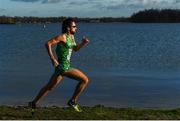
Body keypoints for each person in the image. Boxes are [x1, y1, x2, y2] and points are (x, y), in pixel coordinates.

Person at [28, 18, 89, 112]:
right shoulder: (62, 37)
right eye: (74, 26)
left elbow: (75, 49)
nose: (76, 28)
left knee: (49, 87)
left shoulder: (71, 37)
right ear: (68, 28)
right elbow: (47, 43)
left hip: (61, 68)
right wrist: (52, 59)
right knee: (85, 80)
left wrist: (83, 43)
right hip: (64, 68)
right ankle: (72, 101)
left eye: (76, 26)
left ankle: (33, 103)